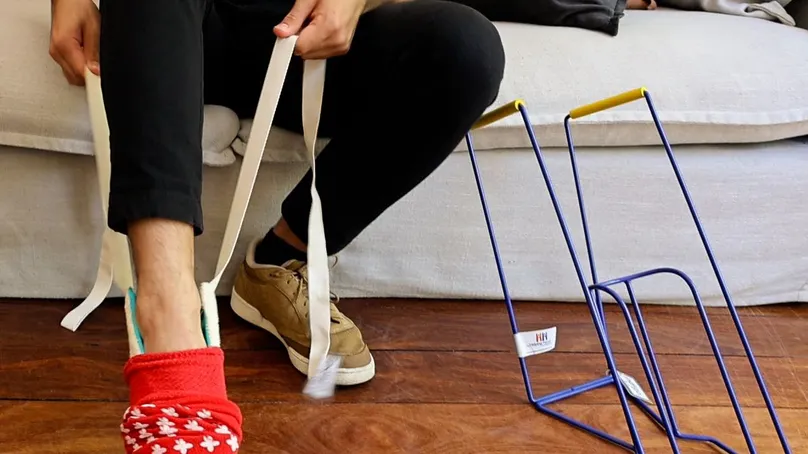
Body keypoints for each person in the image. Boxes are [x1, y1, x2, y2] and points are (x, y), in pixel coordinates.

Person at [49, 0, 505, 451]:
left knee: (466, 48)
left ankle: (280, 259)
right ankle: (168, 316)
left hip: (309, 42)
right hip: (169, 29)